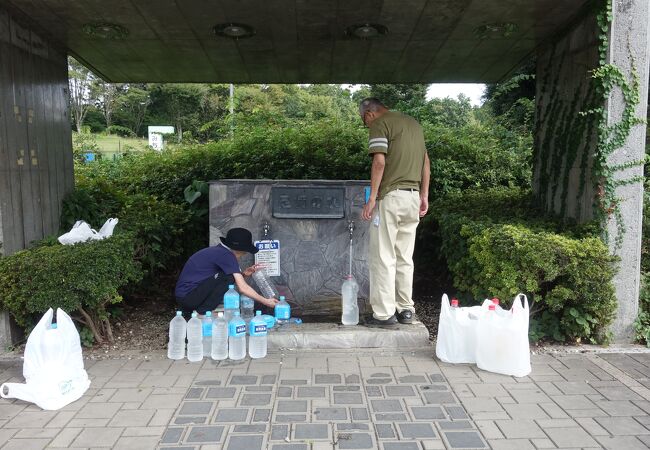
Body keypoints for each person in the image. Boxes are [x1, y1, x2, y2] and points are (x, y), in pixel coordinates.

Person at [359, 98, 430, 326]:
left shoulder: (381, 124)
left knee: (383, 256)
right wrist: (424, 195)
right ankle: (406, 310)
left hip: (390, 198)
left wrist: (372, 198)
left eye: (365, 122)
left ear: (369, 113)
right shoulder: (413, 125)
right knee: (404, 257)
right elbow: (426, 164)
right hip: (412, 197)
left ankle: (383, 314)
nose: (367, 126)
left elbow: (379, 162)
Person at [175, 227, 279, 317]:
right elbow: (242, 288)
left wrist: (244, 274)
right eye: (244, 253)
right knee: (228, 276)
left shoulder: (220, 251)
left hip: (186, 296)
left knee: (229, 276)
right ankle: (202, 312)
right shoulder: (227, 256)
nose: (243, 255)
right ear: (241, 250)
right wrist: (266, 301)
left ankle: (201, 310)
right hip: (188, 297)